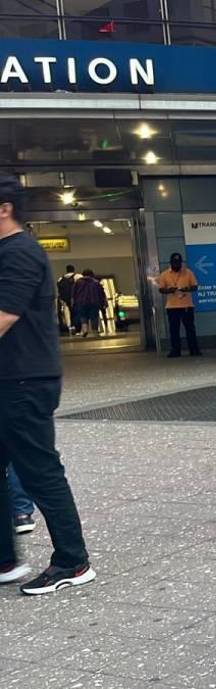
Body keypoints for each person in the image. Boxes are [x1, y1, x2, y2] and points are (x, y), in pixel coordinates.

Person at [0, 172, 95, 594]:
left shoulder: (20, 252)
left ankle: (73, 563)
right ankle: (5, 560)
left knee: (40, 472)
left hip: (23, 381)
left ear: (4, 209)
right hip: (10, 378)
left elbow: (4, 316)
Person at [157, 253, 201, 357]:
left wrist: (187, 289)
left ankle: (194, 350)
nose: (177, 265)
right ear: (171, 263)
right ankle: (175, 350)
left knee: (190, 329)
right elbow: (161, 289)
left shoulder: (188, 273)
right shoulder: (164, 275)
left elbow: (195, 287)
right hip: (172, 307)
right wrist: (169, 290)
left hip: (187, 305)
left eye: (178, 263)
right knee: (174, 330)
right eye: (175, 263)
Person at [70, 269, 105, 338]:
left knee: (83, 316)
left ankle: (85, 330)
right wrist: (102, 303)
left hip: (81, 302)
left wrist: (73, 303)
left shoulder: (78, 282)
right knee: (94, 317)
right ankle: (95, 331)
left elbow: (73, 294)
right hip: (94, 302)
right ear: (92, 275)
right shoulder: (96, 282)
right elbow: (101, 294)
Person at [55, 264, 78, 334]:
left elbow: (58, 289)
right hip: (75, 299)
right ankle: (76, 328)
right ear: (73, 269)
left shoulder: (61, 278)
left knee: (65, 315)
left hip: (64, 300)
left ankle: (67, 328)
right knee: (75, 313)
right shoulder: (77, 277)